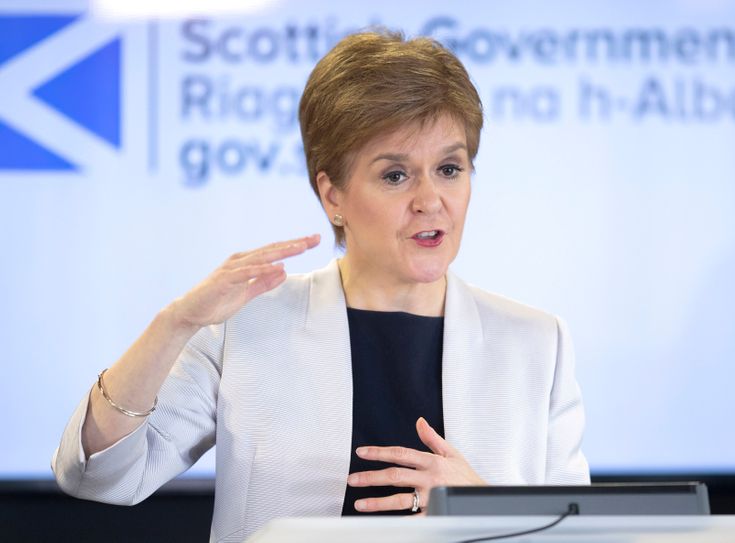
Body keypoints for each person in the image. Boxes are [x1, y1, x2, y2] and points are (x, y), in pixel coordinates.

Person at [52, 30, 589, 541]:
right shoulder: (244, 328)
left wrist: (483, 509)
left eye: (450, 168)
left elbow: (582, 535)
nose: (431, 200)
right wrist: (176, 325)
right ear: (332, 195)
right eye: (395, 175)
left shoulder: (536, 343)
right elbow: (97, 476)